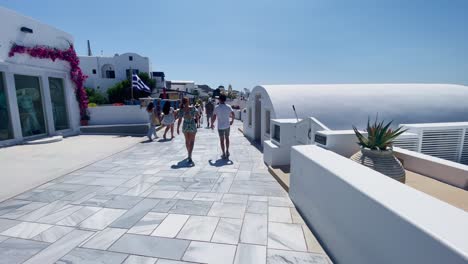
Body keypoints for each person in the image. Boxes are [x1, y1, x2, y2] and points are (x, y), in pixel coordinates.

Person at [211, 94, 235, 159]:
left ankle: (223, 153)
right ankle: (227, 151)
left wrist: (212, 123)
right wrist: (232, 121)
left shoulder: (216, 107)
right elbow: (233, 114)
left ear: (220, 99)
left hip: (220, 127)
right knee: (227, 138)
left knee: (221, 140)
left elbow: (214, 117)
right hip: (227, 126)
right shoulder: (228, 106)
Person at [177, 97, 199, 164]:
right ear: (188, 101)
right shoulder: (192, 108)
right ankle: (190, 155)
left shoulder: (181, 110)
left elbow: (180, 119)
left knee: (187, 140)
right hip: (192, 125)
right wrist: (197, 121)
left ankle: (188, 153)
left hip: (185, 125)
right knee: (192, 141)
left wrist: (177, 128)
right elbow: (197, 115)